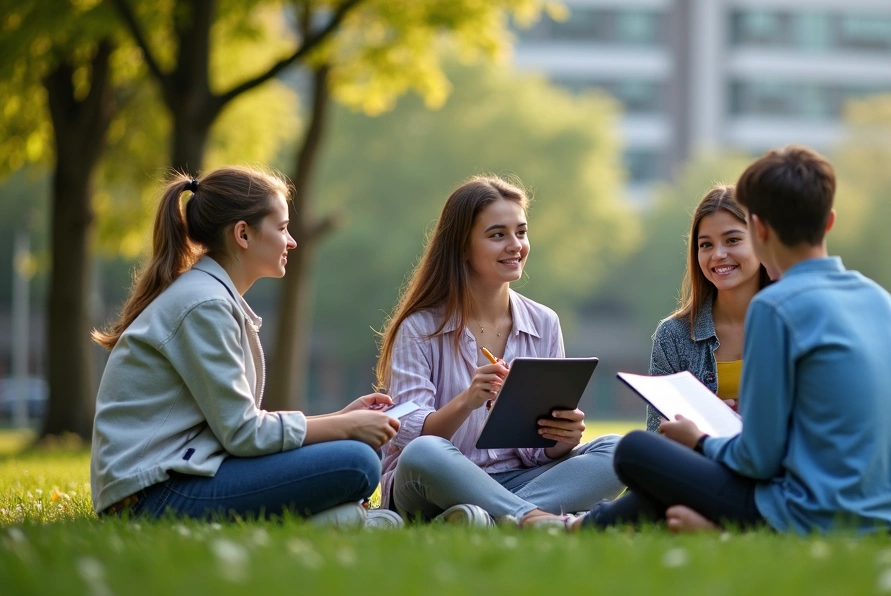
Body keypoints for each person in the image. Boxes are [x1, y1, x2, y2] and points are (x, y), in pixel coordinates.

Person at [574, 145, 891, 534]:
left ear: (758, 229)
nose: (717, 254)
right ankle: (588, 526)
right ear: (829, 222)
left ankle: (709, 527)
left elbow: (759, 459)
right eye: (705, 244)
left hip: (816, 513)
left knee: (635, 451)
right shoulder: (878, 298)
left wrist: (701, 441)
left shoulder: (775, 307)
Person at [91, 167, 400, 526]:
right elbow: (243, 433)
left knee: (359, 454)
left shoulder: (209, 297)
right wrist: (344, 428)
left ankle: (332, 520)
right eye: (283, 228)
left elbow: (237, 430)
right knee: (358, 462)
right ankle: (325, 520)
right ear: (243, 234)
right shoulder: (204, 305)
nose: (292, 241)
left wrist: (342, 419)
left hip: (177, 477)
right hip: (151, 496)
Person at [377, 175, 623, 527]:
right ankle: (531, 517)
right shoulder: (419, 328)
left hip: (517, 479)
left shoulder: (544, 323)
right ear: (462, 247)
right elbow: (410, 434)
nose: (515, 245)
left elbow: (539, 450)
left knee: (617, 450)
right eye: (498, 235)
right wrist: (468, 401)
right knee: (423, 452)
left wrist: (562, 439)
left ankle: (486, 518)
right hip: (433, 480)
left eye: (521, 232)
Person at [646, 185, 771, 431]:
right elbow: (656, 435)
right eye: (706, 245)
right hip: (699, 464)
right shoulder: (673, 335)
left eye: (732, 240)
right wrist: (701, 428)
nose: (718, 254)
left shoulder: (795, 325)